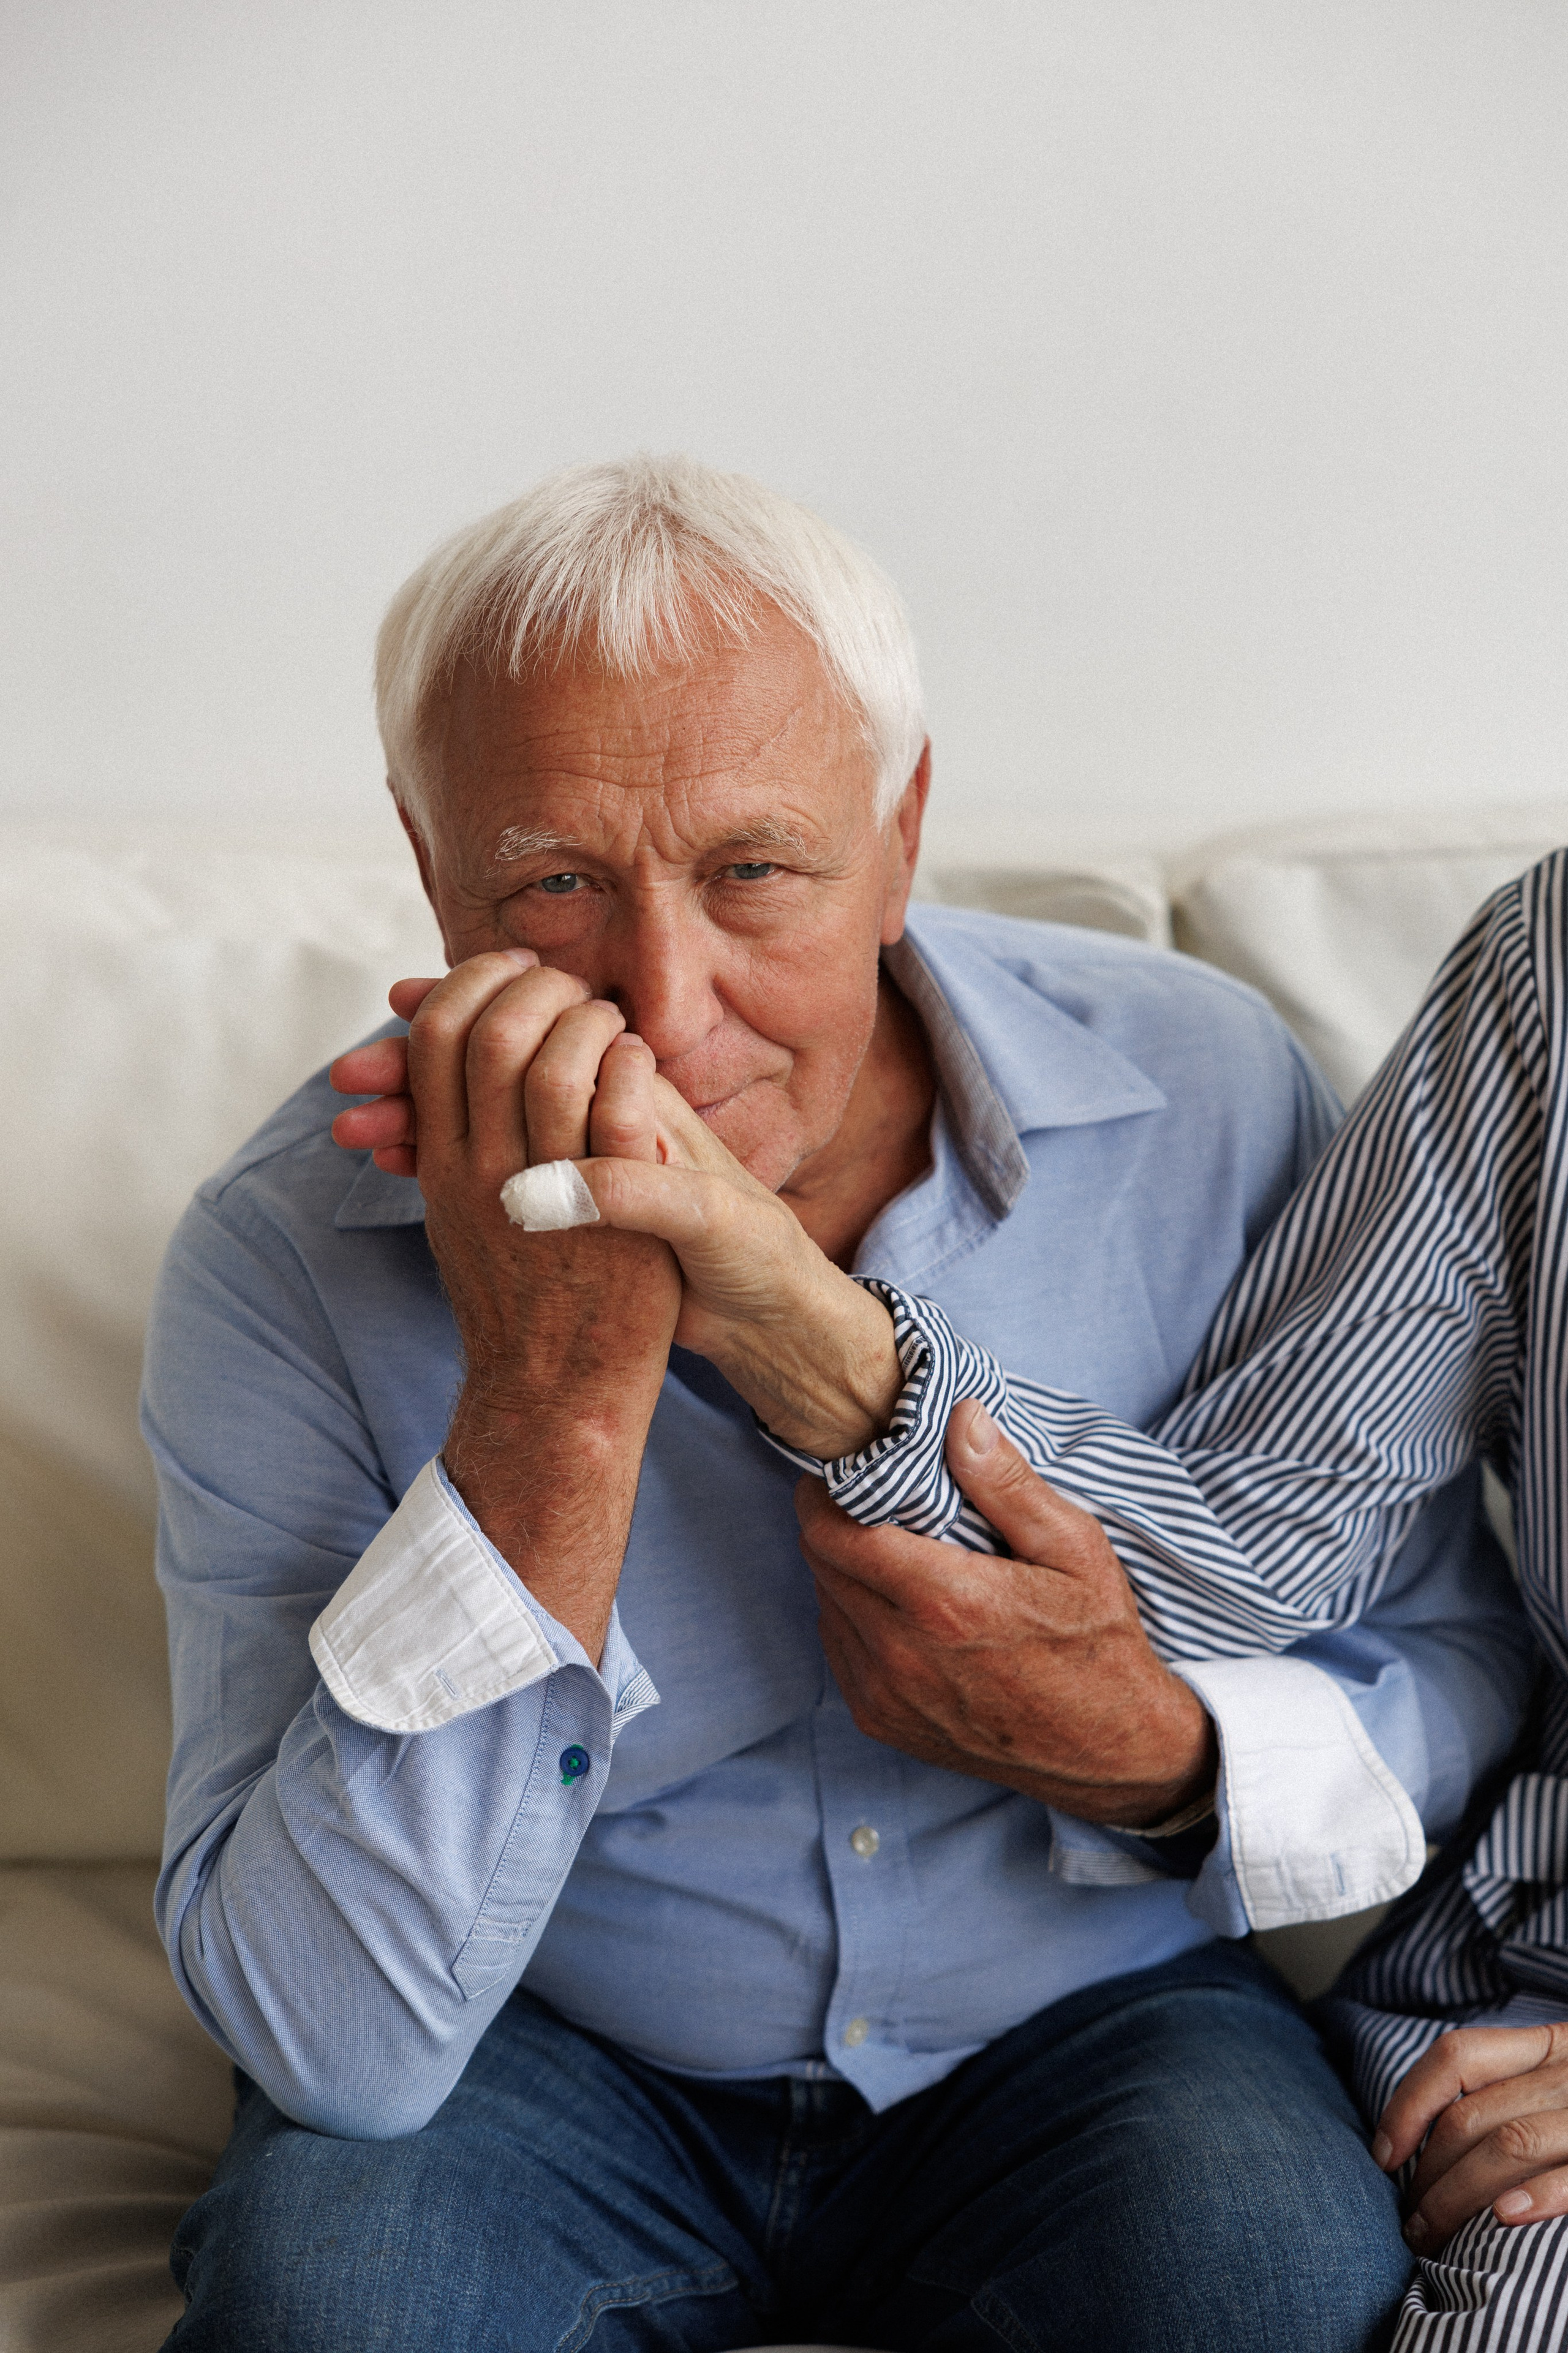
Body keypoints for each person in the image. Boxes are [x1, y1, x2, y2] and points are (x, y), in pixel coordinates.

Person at [146, 455, 1529, 2352]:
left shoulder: (1213, 1096)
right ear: (426, 858)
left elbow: (1446, 1648)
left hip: (1094, 2025)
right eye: (552, 883)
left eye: (755, 870)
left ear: (903, 826)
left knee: (1276, 2283)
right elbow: (335, 2041)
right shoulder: (286, 1247)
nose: (666, 994)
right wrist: (555, 1401)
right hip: (551, 2044)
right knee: (328, 2302)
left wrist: (1162, 1753)